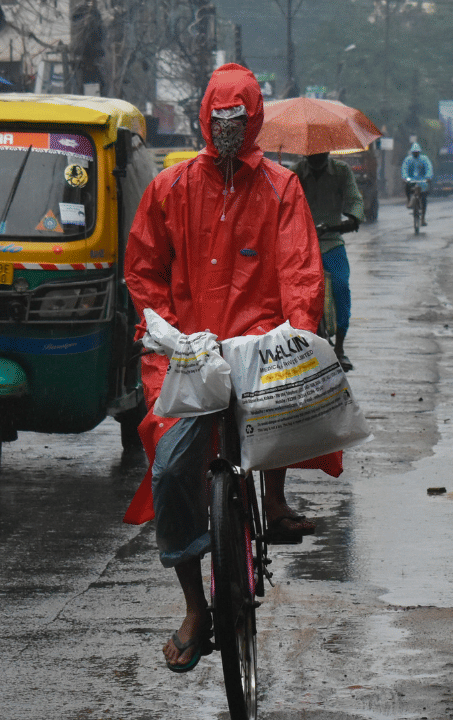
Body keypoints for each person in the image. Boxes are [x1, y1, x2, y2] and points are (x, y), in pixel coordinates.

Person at [124, 63, 331, 674]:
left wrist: (298, 332)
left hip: (259, 352)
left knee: (286, 413)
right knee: (168, 468)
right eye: (222, 122)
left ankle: (276, 500)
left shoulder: (281, 188)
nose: (232, 131)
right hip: (187, 357)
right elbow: (144, 270)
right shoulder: (170, 188)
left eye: (241, 121)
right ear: (207, 122)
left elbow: (299, 269)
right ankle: (194, 606)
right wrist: (163, 328)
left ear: (255, 119)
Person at [291, 152, 364, 371]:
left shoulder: (341, 171)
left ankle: (340, 347)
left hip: (331, 241)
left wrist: (353, 217)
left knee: (341, 287)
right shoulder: (294, 173)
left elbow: (354, 200)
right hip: (301, 245)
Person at [401, 141, 433, 225]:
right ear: (412, 152)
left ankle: (423, 218)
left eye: (417, 152)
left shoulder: (424, 159)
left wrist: (428, 177)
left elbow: (428, 167)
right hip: (411, 180)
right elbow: (404, 169)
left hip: (422, 181)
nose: (416, 154)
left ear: (419, 152)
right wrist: (405, 178)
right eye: (414, 152)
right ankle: (409, 200)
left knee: (424, 199)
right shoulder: (408, 160)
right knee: (407, 187)